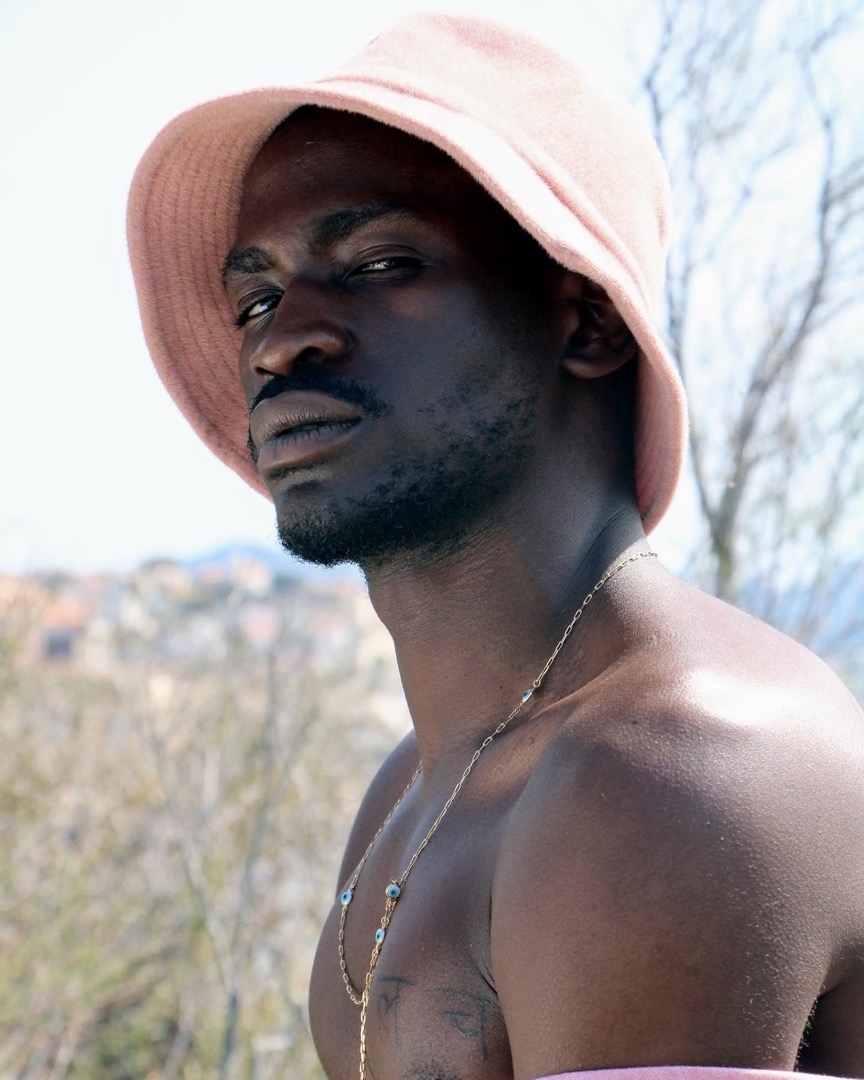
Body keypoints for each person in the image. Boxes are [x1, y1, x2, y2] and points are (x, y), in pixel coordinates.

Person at [127, 14, 864, 1080]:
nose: (283, 341)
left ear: (587, 323)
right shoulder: (416, 787)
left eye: (380, 261)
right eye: (256, 298)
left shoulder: (671, 770)